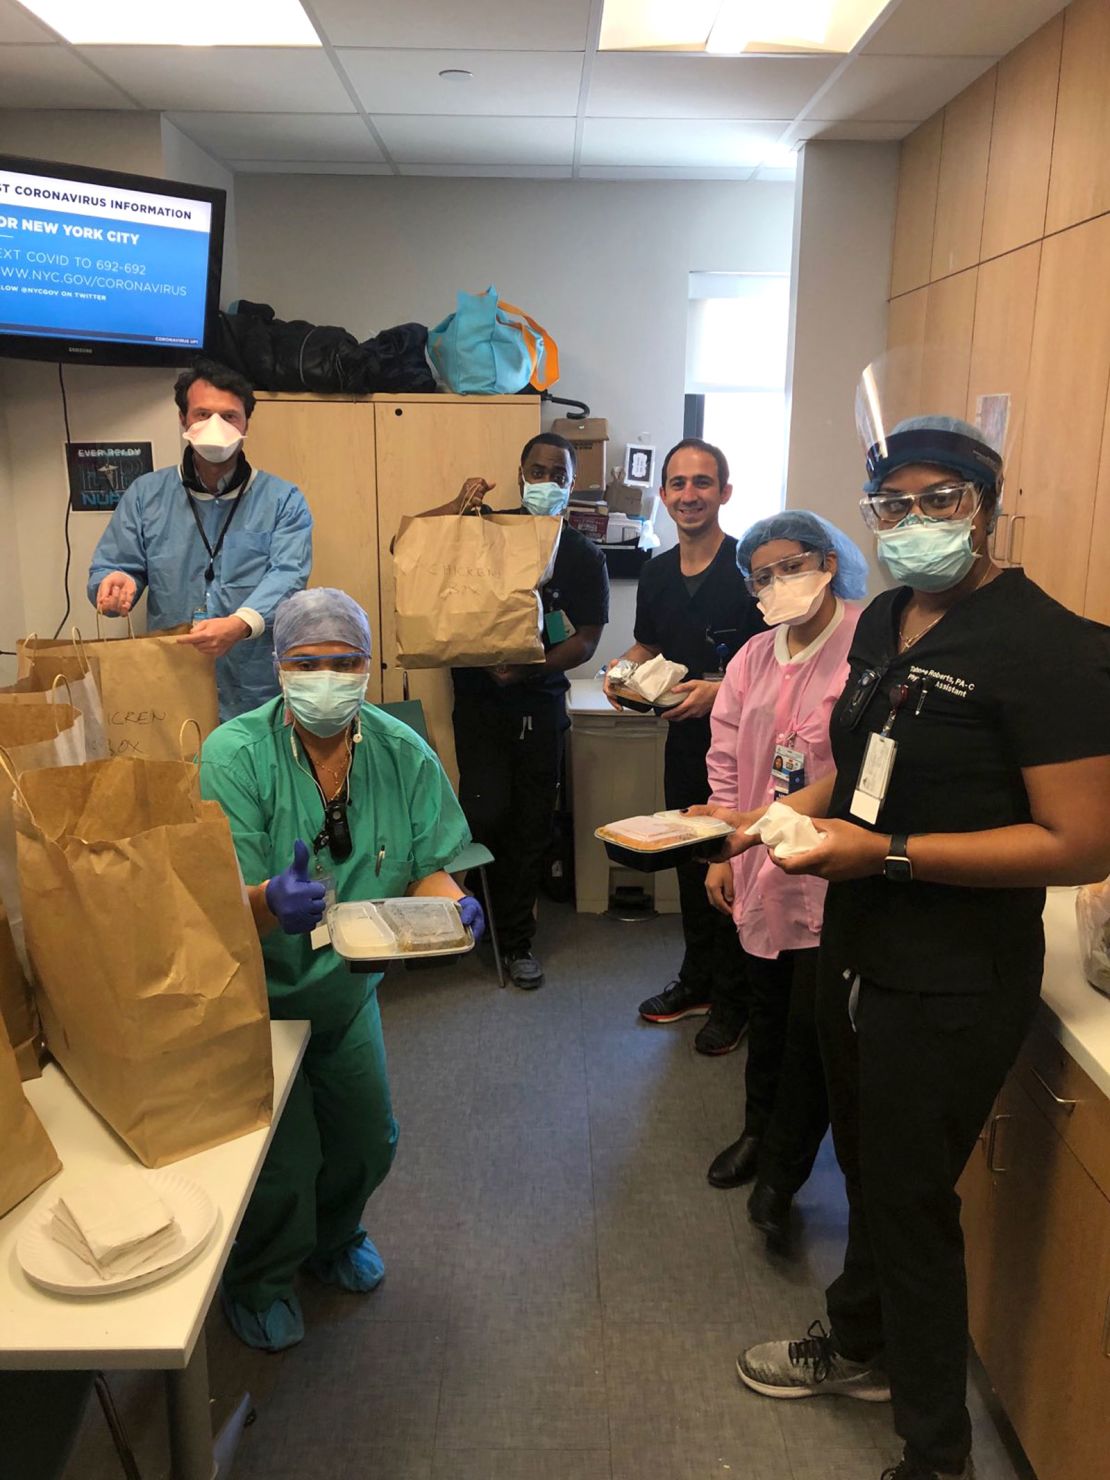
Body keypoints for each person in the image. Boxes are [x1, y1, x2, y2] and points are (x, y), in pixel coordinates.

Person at [707, 408, 1110, 1480]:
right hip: (854, 945)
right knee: (868, 1160)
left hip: (951, 975)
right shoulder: (887, 620)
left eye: (943, 500)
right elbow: (862, 759)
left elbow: (1078, 841)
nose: (915, 521)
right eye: (894, 504)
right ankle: (861, 1337)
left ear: (989, 505)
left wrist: (882, 856)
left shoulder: (1055, 649)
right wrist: (775, 820)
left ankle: (936, 1452)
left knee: (909, 1198)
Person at [200, 587, 484, 1351]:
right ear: (278, 668)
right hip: (257, 997)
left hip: (345, 994)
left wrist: (450, 904)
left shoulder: (400, 750)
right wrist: (267, 900)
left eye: (345, 662)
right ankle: (258, 1279)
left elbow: (430, 862)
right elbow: (214, 897)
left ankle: (333, 1242)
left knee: (367, 1140)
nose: (328, 677)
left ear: (368, 665)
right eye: (307, 663)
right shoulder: (234, 755)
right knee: (283, 1164)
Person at [702, 512, 868, 1237]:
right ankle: (756, 1133)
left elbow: (866, 766)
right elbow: (727, 758)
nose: (776, 585)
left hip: (839, 870)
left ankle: (784, 1175)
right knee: (768, 1016)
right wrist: (721, 850)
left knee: (815, 1034)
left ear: (828, 562)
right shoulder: (752, 659)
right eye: (761, 576)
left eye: (790, 567)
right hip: (759, 867)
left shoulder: (870, 647)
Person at [421, 433, 609, 990]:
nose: (546, 481)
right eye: (537, 470)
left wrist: (529, 669)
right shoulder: (483, 530)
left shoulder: (581, 555)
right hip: (480, 704)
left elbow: (588, 640)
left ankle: (517, 940)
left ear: (572, 485)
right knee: (483, 814)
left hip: (539, 704)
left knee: (530, 824)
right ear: (520, 472)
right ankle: (476, 920)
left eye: (558, 473)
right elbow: (409, 548)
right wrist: (456, 505)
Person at [604, 438, 763, 1054]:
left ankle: (736, 998)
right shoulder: (658, 573)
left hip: (747, 752)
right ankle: (697, 981)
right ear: (664, 495)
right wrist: (622, 667)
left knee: (738, 869)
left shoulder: (751, 570)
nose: (689, 494)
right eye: (678, 483)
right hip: (684, 741)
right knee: (692, 863)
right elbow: (648, 645)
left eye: (703, 482)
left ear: (724, 491)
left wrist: (719, 690)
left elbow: (780, 662)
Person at [88, 358, 312, 721]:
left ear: (245, 424)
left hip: (254, 686)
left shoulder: (283, 500)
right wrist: (115, 584)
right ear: (183, 420)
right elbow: (115, 566)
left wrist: (239, 625)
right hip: (171, 678)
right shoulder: (146, 495)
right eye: (202, 414)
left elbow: (288, 575)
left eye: (229, 416)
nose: (215, 427)